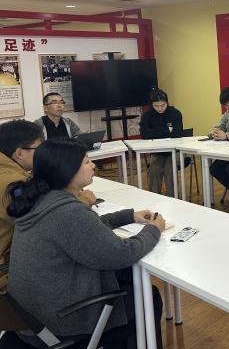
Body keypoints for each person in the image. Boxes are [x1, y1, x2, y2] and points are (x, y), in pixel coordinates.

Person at [6, 138, 165, 349]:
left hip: (31, 320)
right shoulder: (68, 212)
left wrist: (128, 216)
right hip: (61, 324)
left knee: (127, 278)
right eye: (87, 161)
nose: (93, 166)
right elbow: (122, 254)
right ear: (67, 171)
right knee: (148, 296)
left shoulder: (40, 199)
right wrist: (153, 230)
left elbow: (85, 230)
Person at [0, 120, 97, 291]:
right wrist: (84, 200)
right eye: (39, 149)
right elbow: (50, 220)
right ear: (20, 153)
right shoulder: (14, 184)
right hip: (8, 270)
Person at [139, 88, 184, 194]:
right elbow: (145, 134)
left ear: (167, 102)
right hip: (157, 151)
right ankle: (155, 197)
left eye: (163, 105)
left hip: (175, 150)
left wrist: (155, 132)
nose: (160, 108)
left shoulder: (175, 113)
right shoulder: (147, 116)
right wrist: (167, 130)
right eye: (156, 106)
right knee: (154, 169)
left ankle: (173, 198)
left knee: (170, 169)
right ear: (152, 105)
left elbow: (178, 133)